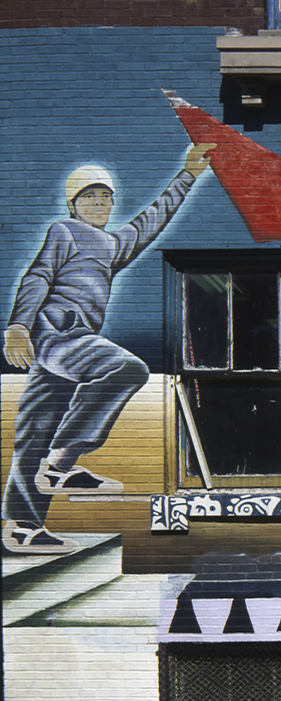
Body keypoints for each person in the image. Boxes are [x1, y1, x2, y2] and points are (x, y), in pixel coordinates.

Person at [3, 143, 215, 555]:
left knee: (35, 430)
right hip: (57, 333)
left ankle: (23, 527)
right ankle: (61, 464)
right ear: (73, 203)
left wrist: (187, 175)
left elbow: (150, 221)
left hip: (63, 348)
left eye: (105, 196)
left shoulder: (111, 245)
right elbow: (37, 275)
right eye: (89, 196)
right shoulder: (64, 231)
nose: (99, 203)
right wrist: (18, 324)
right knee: (127, 369)